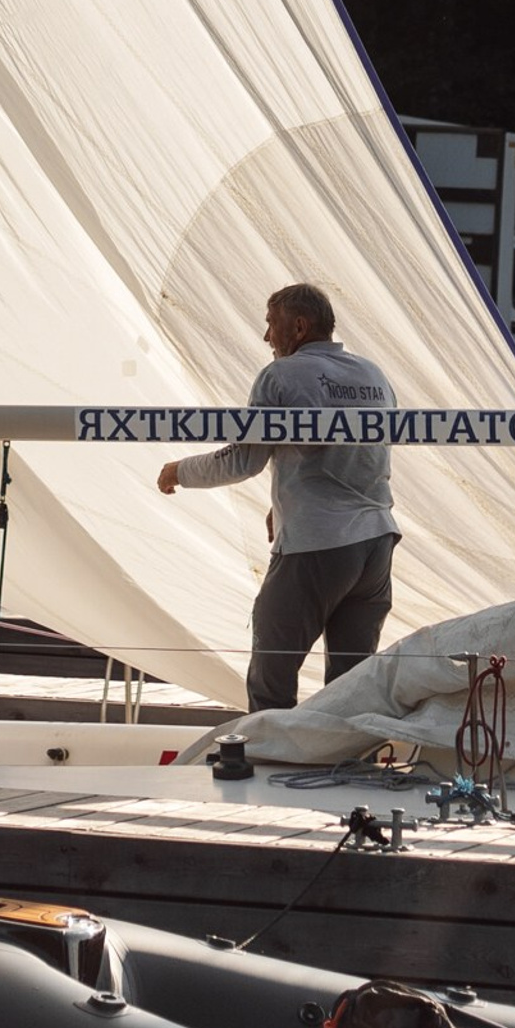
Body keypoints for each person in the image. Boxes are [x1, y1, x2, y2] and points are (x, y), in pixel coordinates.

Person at [156, 282, 400, 712]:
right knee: (352, 685)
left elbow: (243, 461)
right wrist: (284, 500)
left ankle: (269, 769)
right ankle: (348, 769)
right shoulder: (372, 375)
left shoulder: (282, 376)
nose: (267, 337)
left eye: (271, 324)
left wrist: (180, 471)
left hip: (316, 544)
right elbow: (359, 457)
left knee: (272, 671)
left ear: (299, 327)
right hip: (376, 544)